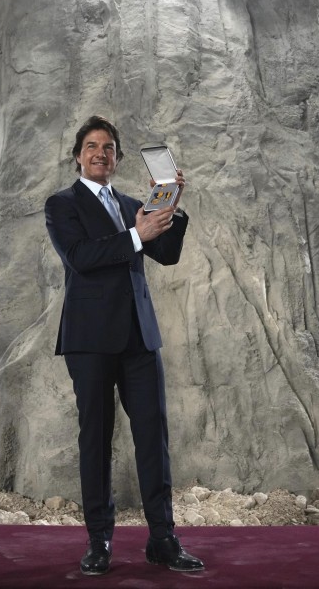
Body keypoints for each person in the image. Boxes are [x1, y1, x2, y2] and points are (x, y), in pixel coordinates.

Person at [44, 115, 204, 576]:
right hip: (90, 340)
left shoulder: (134, 203)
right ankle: (99, 541)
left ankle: (163, 539)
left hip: (139, 338)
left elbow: (165, 254)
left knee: (153, 437)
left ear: (117, 157)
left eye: (109, 148)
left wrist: (171, 206)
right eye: (92, 146)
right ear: (78, 156)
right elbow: (79, 257)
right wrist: (136, 234)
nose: (101, 153)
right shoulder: (62, 204)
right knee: (96, 439)